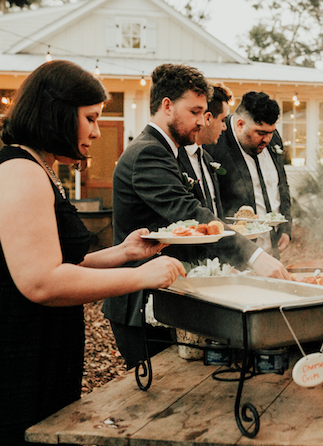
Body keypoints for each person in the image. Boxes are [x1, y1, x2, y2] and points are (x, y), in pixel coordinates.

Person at [0, 60, 185, 446]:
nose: (96, 130)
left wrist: (124, 252)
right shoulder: (22, 173)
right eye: (89, 118)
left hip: (29, 343)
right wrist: (142, 276)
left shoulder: (39, 166)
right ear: (57, 112)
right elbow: (42, 282)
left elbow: (57, 262)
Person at [103, 65, 289, 369]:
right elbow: (190, 214)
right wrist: (254, 256)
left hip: (168, 295)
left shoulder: (169, 150)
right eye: (195, 111)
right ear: (167, 106)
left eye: (205, 112)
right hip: (139, 304)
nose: (203, 120)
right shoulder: (148, 153)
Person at [206, 91, 292, 259]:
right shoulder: (215, 145)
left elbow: (282, 185)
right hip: (236, 253)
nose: (267, 140)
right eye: (260, 133)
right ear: (240, 124)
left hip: (272, 249)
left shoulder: (273, 139)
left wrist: (286, 227)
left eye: (271, 132)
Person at [178, 82, 232, 218]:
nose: (224, 127)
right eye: (222, 120)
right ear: (208, 118)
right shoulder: (174, 158)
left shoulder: (207, 158)